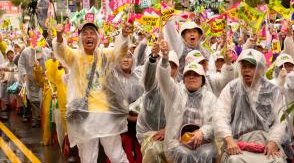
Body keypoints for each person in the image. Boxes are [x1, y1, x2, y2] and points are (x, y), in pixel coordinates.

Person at [53, 22, 132, 163]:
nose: (89, 36)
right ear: (80, 38)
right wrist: (59, 35)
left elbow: (121, 51)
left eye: (92, 33)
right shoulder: (75, 57)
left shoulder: (106, 55)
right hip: (85, 116)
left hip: (106, 115)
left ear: (98, 37)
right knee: (88, 157)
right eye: (85, 33)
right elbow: (61, 51)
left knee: (116, 155)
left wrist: (124, 35)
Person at [213, 49, 287, 163]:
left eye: (252, 67)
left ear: (260, 69)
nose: (246, 70)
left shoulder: (272, 90)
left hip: (266, 142)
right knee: (235, 160)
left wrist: (274, 141)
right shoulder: (232, 88)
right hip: (239, 143)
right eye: (244, 66)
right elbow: (220, 115)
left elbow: (281, 120)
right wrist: (229, 139)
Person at [157, 41, 217, 163]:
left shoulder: (210, 98)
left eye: (196, 75)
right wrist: (164, 59)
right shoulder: (175, 92)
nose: (191, 77)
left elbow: (215, 121)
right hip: (177, 142)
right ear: (183, 78)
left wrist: (202, 132)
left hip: (203, 142)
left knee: (207, 153)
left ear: (202, 79)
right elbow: (164, 78)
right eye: (188, 74)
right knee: (183, 154)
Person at [136, 42, 179, 163]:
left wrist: (168, 130)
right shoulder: (152, 85)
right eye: (167, 65)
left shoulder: (180, 90)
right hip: (148, 135)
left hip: (170, 134)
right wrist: (154, 57)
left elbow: (181, 115)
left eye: (173, 66)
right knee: (154, 149)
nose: (169, 69)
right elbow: (148, 75)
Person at [18, 45, 51, 126]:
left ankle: (43, 117)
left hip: (44, 79)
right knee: (34, 99)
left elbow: (51, 63)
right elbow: (21, 64)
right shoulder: (26, 51)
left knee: (44, 98)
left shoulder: (47, 51)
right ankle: (35, 118)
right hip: (31, 79)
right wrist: (24, 74)